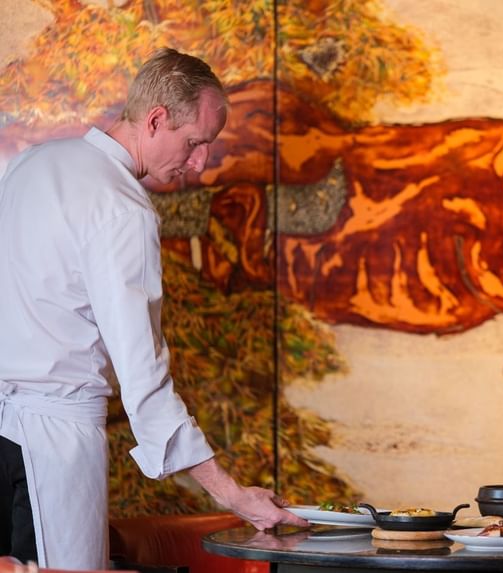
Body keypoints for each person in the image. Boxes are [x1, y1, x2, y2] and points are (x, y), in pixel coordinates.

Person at [0, 48, 307, 570]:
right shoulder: (121, 206)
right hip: (49, 450)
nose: (198, 163)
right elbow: (144, 379)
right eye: (194, 143)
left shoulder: (28, 164)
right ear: (156, 119)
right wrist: (231, 494)